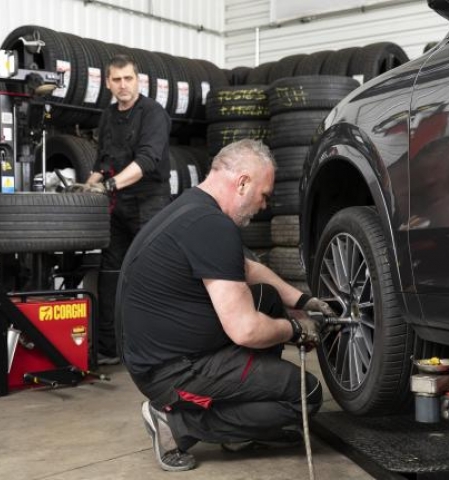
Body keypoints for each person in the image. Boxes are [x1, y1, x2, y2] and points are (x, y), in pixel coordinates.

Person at [116, 139, 335, 471]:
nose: (264, 205)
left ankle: (240, 423)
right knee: (307, 394)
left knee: (268, 298)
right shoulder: (213, 227)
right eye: (264, 195)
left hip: (162, 352)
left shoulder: (192, 208)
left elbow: (247, 270)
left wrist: (303, 300)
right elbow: (245, 330)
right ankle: (176, 425)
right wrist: (295, 329)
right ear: (243, 183)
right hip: (172, 373)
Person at [86, 54, 172, 365]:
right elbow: (102, 162)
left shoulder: (153, 114)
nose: (123, 85)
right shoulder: (108, 116)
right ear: (107, 83)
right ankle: (110, 348)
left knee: (151, 272)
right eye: (117, 80)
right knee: (110, 273)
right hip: (118, 205)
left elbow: (147, 161)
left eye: (128, 79)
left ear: (138, 80)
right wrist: (85, 188)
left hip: (150, 202)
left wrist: (109, 185)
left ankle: (159, 349)